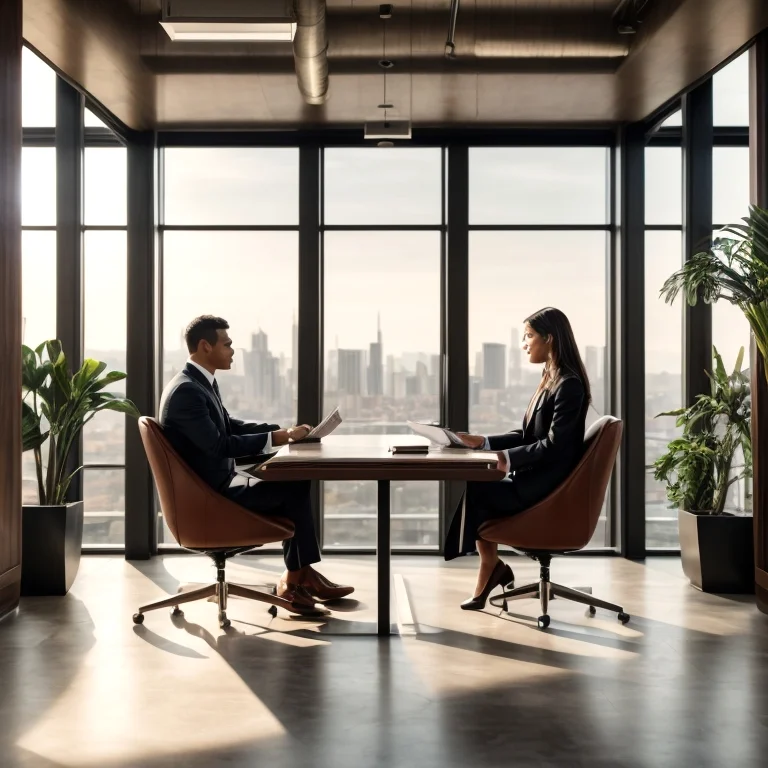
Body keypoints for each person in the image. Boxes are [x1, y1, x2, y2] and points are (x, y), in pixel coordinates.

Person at [158, 315, 354, 610]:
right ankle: (295, 578)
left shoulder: (197, 383)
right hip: (210, 498)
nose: (233, 350)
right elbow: (219, 444)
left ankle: (301, 575)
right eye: (227, 344)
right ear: (205, 346)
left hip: (214, 487)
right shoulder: (187, 391)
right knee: (294, 487)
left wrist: (279, 432)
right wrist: (278, 437)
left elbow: (228, 425)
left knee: (294, 483)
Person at [444, 307, 590, 610]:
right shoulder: (552, 379)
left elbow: (555, 445)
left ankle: (490, 567)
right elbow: (528, 437)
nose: (524, 343)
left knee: (480, 486)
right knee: (479, 483)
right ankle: (490, 566)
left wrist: (505, 459)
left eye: (529, 336)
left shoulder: (569, 384)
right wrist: (482, 441)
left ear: (548, 339)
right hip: (538, 480)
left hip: (547, 490)